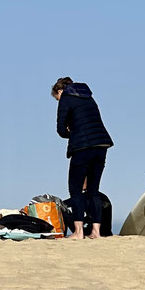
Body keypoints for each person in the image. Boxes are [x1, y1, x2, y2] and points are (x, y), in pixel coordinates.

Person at [53, 77, 113, 240]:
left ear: (59, 91)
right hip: (102, 144)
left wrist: (69, 131)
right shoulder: (88, 97)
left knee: (76, 189)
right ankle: (96, 232)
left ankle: (79, 232)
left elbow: (60, 128)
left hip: (82, 147)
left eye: (56, 98)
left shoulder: (65, 97)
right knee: (93, 190)